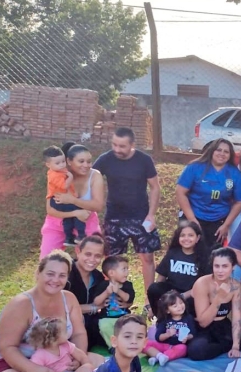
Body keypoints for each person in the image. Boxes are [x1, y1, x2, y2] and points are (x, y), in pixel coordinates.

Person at [94, 127, 161, 306]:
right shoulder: (105, 159)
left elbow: (155, 187)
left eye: (122, 146)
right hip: (114, 217)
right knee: (113, 261)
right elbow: (89, 180)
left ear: (132, 144)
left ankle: (150, 300)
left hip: (141, 216)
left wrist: (152, 215)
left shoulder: (144, 160)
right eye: (114, 144)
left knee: (147, 257)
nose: (117, 149)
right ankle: (114, 300)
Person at [187, 248, 241, 361]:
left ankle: (231, 343)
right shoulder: (202, 283)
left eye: (225, 266)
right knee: (197, 351)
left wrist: (236, 346)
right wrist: (219, 298)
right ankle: (226, 345)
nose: (220, 271)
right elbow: (203, 322)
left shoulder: (235, 286)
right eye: (216, 266)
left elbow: (237, 319)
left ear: (233, 266)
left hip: (223, 325)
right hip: (203, 328)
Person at [176, 139, 241, 250]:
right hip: (194, 215)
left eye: (226, 151)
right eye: (218, 150)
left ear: (230, 155)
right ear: (212, 151)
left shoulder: (235, 174)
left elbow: (240, 201)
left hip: (218, 220)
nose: (222, 154)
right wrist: (191, 219)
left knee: (211, 255)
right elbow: (180, 192)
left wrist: (226, 225)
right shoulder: (194, 167)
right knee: (187, 251)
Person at [41, 144, 105, 258]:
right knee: (46, 260)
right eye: (81, 161)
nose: (86, 165)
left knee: (89, 260)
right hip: (58, 221)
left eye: (89, 161)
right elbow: (50, 210)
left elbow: (98, 206)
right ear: (69, 161)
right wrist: (76, 213)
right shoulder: (57, 175)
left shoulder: (95, 175)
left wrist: (72, 200)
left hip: (86, 221)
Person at [147, 220, 208, 316]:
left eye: (190, 235)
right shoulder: (172, 253)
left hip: (191, 295)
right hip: (171, 292)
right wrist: (155, 305)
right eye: (182, 235)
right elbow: (161, 278)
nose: (186, 238)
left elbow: (204, 285)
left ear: (197, 238)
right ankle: (160, 318)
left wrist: (182, 296)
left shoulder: (203, 258)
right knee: (154, 288)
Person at [43, 145, 85, 247]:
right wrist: (70, 177)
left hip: (60, 199)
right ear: (48, 164)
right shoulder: (54, 175)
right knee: (79, 209)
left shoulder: (57, 171)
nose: (62, 165)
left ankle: (68, 238)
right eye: (57, 163)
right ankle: (81, 235)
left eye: (63, 161)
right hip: (58, 200)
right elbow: (64, 186)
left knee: (68, 217)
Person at [91, 255, 136, 345]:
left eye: (127, 269)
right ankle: (112, 346)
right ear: (111, 273)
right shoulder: (103, 285)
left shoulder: (127, 285)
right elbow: (96, 302)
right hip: (107, 318)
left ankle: (128, 344)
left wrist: (118, 291)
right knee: (103, 325)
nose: (127, 272)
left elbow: (129, 298)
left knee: (133, 325)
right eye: (124, 269)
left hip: (124, 317)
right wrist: (106, 292)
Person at [143, 290, 195, 367]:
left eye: (181, 303)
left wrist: (187, 337)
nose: (180, 306)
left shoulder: (188, 318)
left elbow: (193, 333)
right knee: (144, 343)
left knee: (183, 348)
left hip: (178, 346)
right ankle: (159, 356)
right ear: (167, 310)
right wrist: (168, 334)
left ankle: (158, 357)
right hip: (164, 345)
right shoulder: (164, 320)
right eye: (175, 306)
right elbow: (158, 337)